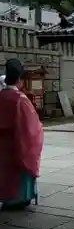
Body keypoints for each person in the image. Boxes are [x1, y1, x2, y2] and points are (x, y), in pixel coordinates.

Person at [0, 59, 43, 210]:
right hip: (19, 143)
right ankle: (19, 198)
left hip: (3, 145)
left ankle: (5, 197)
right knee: (19, 170)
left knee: (4, 171)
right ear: (19, 79)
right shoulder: (21, 99)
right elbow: (31, 127)